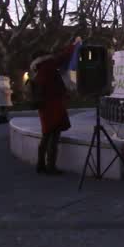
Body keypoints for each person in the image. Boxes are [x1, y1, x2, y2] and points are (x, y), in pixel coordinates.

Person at [30, 37, 82, 175]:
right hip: (53, 106)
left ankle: (41, 164)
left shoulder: (38, 70)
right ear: (45, 57)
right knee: (54, 137)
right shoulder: (48, 67)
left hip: (44, 107)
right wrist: (74, 45)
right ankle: (51, 166)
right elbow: (62, 57)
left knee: (46, 135)